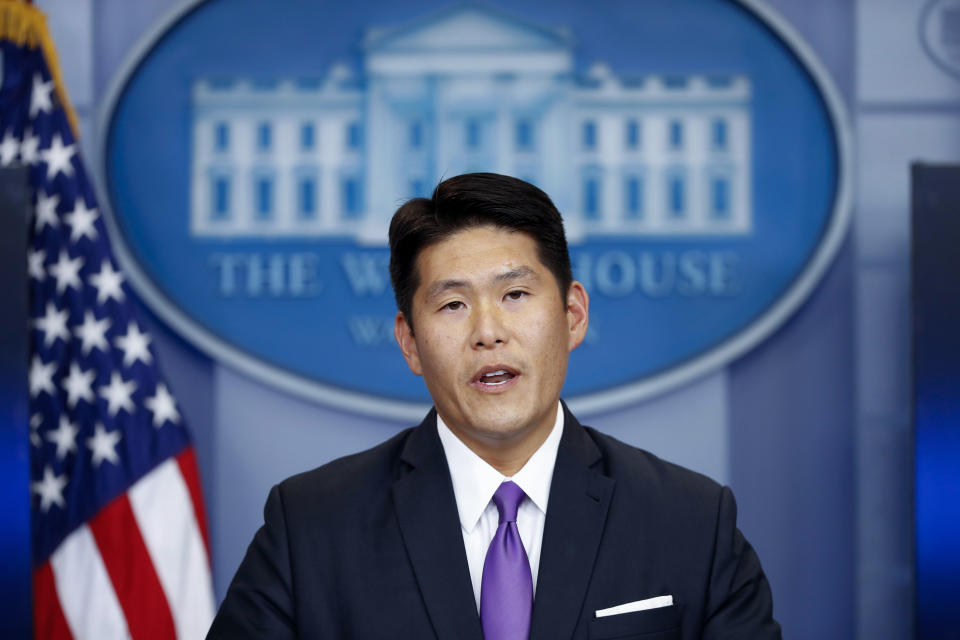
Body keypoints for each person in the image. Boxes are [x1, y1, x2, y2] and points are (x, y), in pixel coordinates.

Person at [208, 173, 781, 639]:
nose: (488, 331)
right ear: (409, 342)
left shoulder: (692, 522)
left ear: (573, 315)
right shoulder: (310, 526)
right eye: (453, 304)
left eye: (514, 294)